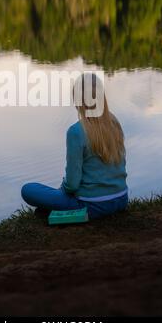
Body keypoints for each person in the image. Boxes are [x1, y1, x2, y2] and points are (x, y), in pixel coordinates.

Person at [21, 73, 128, 220]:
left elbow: (72, 184)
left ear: (77, 100)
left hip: (91, 206)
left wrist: (62, 191)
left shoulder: (76, 131)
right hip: (121, 199)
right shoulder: (114, 121)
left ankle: (62, 211)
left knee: (28, 189)